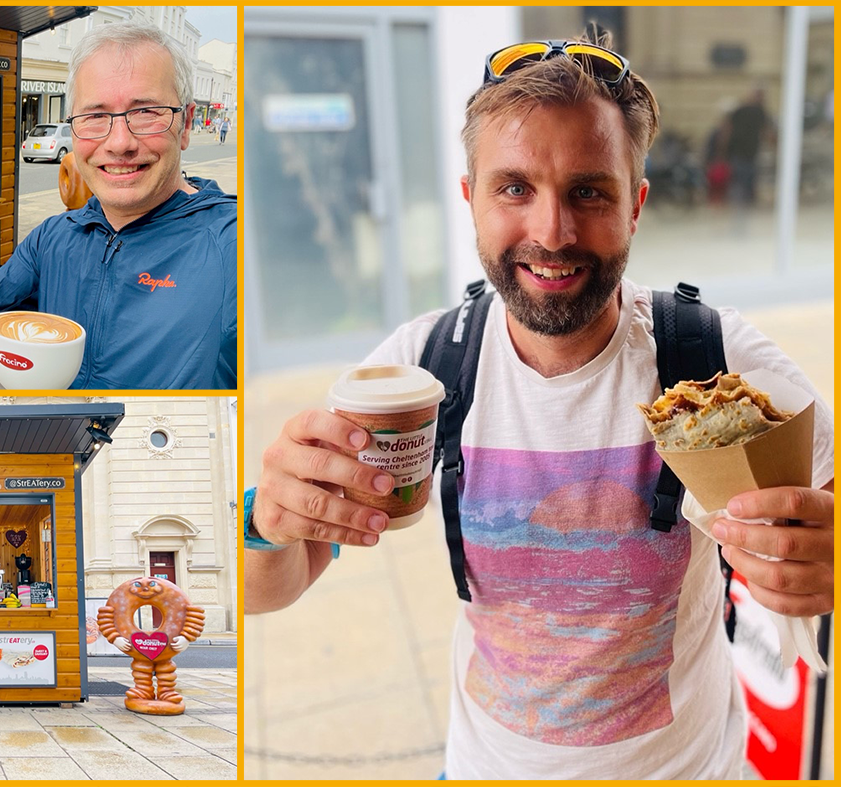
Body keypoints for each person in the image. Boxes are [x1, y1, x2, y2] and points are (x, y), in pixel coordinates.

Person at [244, 35, 834, 780]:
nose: (551, 232)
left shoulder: (712, 359)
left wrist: (824, 554)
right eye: (514, 188)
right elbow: (273, 585)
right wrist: (266, 522)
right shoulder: (419, 372)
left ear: (635, 206)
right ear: (471, 200)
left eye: (589, 190)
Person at [0, 21, 237, 389]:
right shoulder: (53, 237)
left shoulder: (237, 246)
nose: (119, 143)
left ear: (185, 126)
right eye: (95, 116)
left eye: (146, 112)